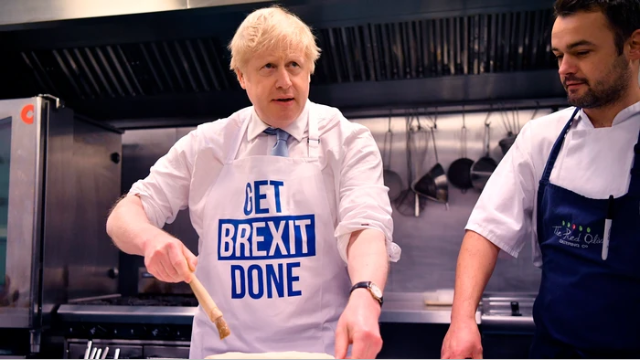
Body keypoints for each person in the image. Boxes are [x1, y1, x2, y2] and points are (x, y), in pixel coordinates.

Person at [106, 5, 401, 359]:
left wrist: (366, 294)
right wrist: (150, 238)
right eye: (268, 67)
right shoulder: (208, 144)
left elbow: (365, 226)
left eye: (294, 65)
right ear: (242, 76)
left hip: (319, 350)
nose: (285, 81)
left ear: (309, 70)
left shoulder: (346, 139)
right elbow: (124, 216)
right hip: (223, 350)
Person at [441, 0, 639, 358]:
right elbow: (485, 230)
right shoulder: (542, 137)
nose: (566, 69)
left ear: (633, 47)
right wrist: (462, 319)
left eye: (581, 52)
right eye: (558, 55)